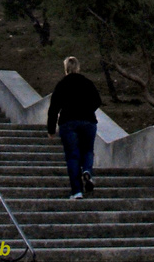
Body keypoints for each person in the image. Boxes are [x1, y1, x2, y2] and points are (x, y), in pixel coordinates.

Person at [47, 56, 102, 200]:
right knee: (88, 150)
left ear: (66, 69)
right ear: (78, 67)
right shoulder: (87, 82)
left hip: (68, 122)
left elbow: (53, 108)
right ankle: (88, 171)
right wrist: (87, 109)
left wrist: (51, 129)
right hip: (88, 122)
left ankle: (77, 191)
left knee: (72, 156)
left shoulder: (62, 84)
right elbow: (98, 101)